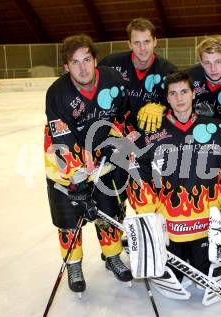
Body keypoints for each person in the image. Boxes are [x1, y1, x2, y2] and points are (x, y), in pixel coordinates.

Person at [127, 71, 221, 285]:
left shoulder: (216, 128)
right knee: (176, 275)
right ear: (167, 99)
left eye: (184, 92)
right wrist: (146, 215)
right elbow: (138, 172)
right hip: (170, 225)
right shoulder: (152, 132)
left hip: (206, 223)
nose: (179, 98)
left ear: (193, 94)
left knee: (204, 274)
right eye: (173, 93)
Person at [44, 34, 133, 295]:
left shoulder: (112, 80)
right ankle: (74, 264)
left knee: (108, 212)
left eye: (86, 60)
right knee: (69, 220)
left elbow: (123, 115)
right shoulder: (57, 93)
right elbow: (62, 141)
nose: (82, 68)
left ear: (95, 60)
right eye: (75, 62)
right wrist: (77, 181)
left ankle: (113, 257)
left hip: (102, 158)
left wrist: (119, 139)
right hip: (64, 163)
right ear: (66, 67)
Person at [99, 18, 177, 132]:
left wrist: (162, 107)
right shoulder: (110, 65)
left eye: (147, 41)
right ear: (129, 44)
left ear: (155, 41)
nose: (142, 48)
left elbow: (180, 102)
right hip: (114, 134)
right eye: (137, 43)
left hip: (150, 134)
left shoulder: (169, 71)